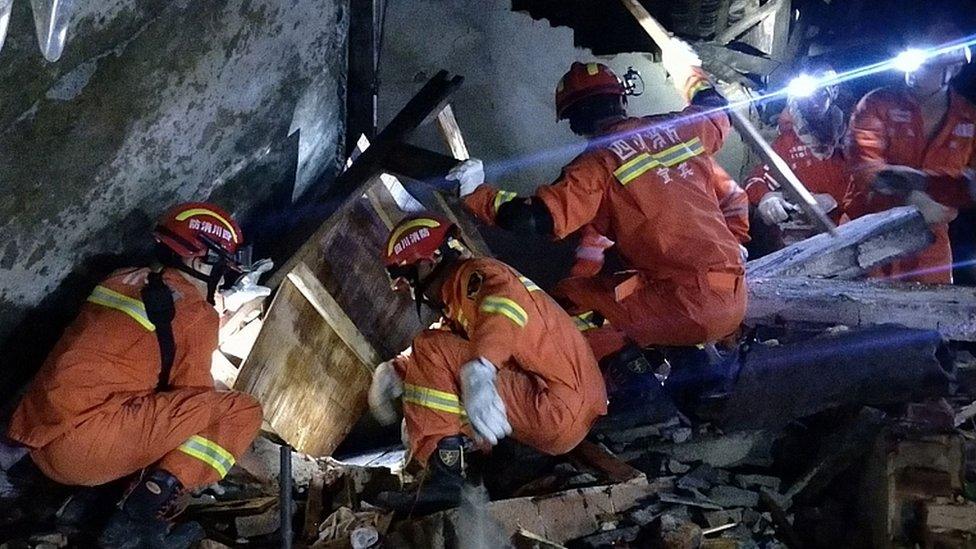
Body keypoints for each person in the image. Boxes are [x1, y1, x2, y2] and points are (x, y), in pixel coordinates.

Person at [447, 48, 746, 365]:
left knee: (573, 308)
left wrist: (474, 191)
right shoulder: (681, 128)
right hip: (733, 291)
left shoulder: (596, 166)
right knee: (608, 289)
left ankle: (595, 388)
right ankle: (701, 356)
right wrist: (686, 68)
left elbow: (532, 219)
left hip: (685, 306)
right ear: (621, 99)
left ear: (575, 122)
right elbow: (715, 107)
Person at [2, 202, 268, 547]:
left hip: (33, 436)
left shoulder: (118, 280)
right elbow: (194, 401)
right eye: (223, 269)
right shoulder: (194, 313)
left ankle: (100, 500)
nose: (222, 279)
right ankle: (141, 515)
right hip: (83, 454)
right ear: (200, 260)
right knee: (240, 409)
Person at [369, 214, 607, 511]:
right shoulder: (460, 295)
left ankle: (444, 483)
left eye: (406, 279)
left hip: (555, 404)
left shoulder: (478, 276)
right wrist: (396, 369)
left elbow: (501, 309)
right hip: (568, 406)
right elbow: (452, 335)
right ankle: (475, 462)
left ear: (427, 262)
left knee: (429, 350)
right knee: (436, 358)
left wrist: (480, 368)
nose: (410, 291)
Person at [844, 19, 976, 284]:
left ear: (953, 69)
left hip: (930, 243)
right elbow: (864, 164)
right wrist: (912, 197)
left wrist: (943, 195)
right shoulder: (877, 104)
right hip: (866, 236)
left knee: (929, 320)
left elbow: (970, 183)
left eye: (925, 66)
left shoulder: (969, 120)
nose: (912, 74)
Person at [746, 64, 850, 248]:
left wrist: (834, 199)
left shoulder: (848, 135)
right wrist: (766, 198)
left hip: (844, 235)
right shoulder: (789, 141)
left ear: (833, 94)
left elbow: (868, 182)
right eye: (808, 96)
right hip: (801, 241)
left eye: (821, 94)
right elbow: (756, 180)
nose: (813, 102)